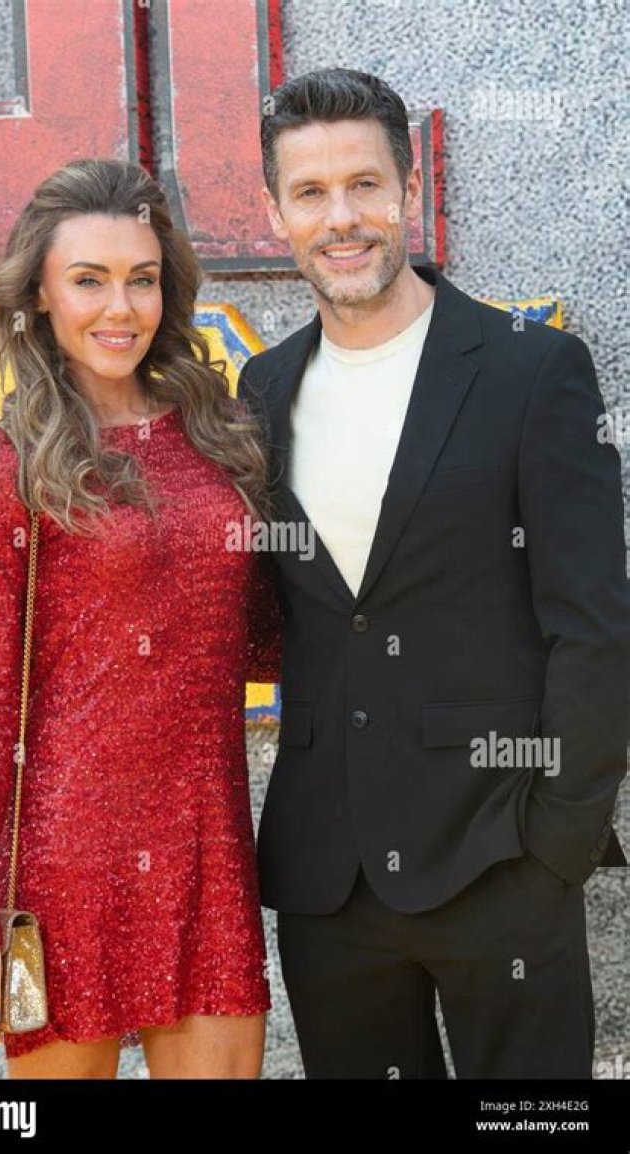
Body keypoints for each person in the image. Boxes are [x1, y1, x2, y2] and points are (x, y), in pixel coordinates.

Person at [238, 67, 629, 1079]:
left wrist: (559, 843)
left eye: (364, 184)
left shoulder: (531, 369)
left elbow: (594, 627)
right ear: (276, 211)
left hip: (501, 857)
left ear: (410, 190)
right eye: (311, 191)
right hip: (329, 883)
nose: (341, 217)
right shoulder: (261, 389)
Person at [0, 158, 280, 1079]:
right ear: (39, 297)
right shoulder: (2, 469)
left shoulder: (220, 436)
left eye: (142, 279)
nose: (120, 308)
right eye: (88, 280)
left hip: (207, 848)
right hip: (63, 865)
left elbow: (260, 640)